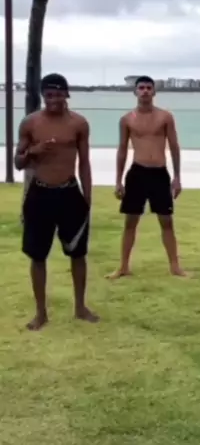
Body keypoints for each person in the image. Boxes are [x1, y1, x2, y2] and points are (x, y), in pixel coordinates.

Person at [15, 73, 97, 331]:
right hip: (39, 194)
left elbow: (84, 163)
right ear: (43, 95)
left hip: (69, 192)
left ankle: (80, 307)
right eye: (49, 94)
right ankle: (41, 313)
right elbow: (18, 162)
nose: (54, 99)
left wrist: (87, 197)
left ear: (66, 95)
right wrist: (33, 152)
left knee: (78, 254)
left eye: (59, 94)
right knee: (37, 256)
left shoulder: (79, 124)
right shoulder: (30, 123)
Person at [107, 75, 186, 280]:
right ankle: (123, 266)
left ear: (154, 92)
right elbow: (122, 149)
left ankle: (175, 266)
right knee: (130, 222)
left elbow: (174, 147)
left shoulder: (165, 117)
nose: (145, 91)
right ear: (135, 92)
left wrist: (177, 177)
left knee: (166, 221)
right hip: (137, 173)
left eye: (148, 88)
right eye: (141, 88)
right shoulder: (127, 119)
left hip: (159, 173)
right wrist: (118, 180)